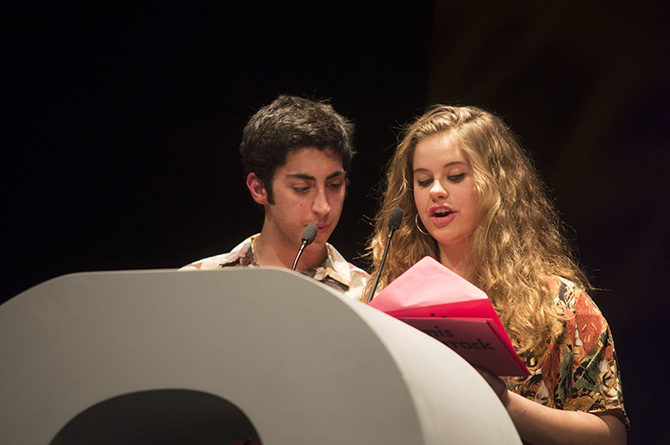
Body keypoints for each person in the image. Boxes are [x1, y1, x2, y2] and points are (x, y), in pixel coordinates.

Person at [365, 105, 629, 444]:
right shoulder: (387, 297)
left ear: (497, 184)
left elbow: (611, 436)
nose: (436, 191)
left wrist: (505, 403)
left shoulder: (560, 305)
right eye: (423, 180)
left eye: (455, 176)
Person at [181, 95, 368, 301]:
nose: (323, 207)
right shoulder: (193, 285)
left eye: (334, 185)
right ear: (259, 188)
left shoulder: (369, 297)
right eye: (302, 188)